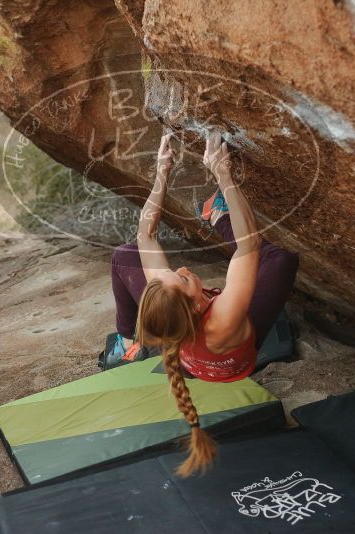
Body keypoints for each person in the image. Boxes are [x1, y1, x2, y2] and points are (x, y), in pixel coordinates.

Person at [108, 131, 299, 476]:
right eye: (183, 279)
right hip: (236, 354)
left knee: (125, 255)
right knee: (280, 259)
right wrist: (223, 174)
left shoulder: (166, 307)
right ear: (197, 306)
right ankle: (217, 216)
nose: (181, 269)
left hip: (195, 349)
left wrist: (162, 171)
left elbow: (145, 236)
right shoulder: (224, 317)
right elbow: (249, 245)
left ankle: (128, 338)